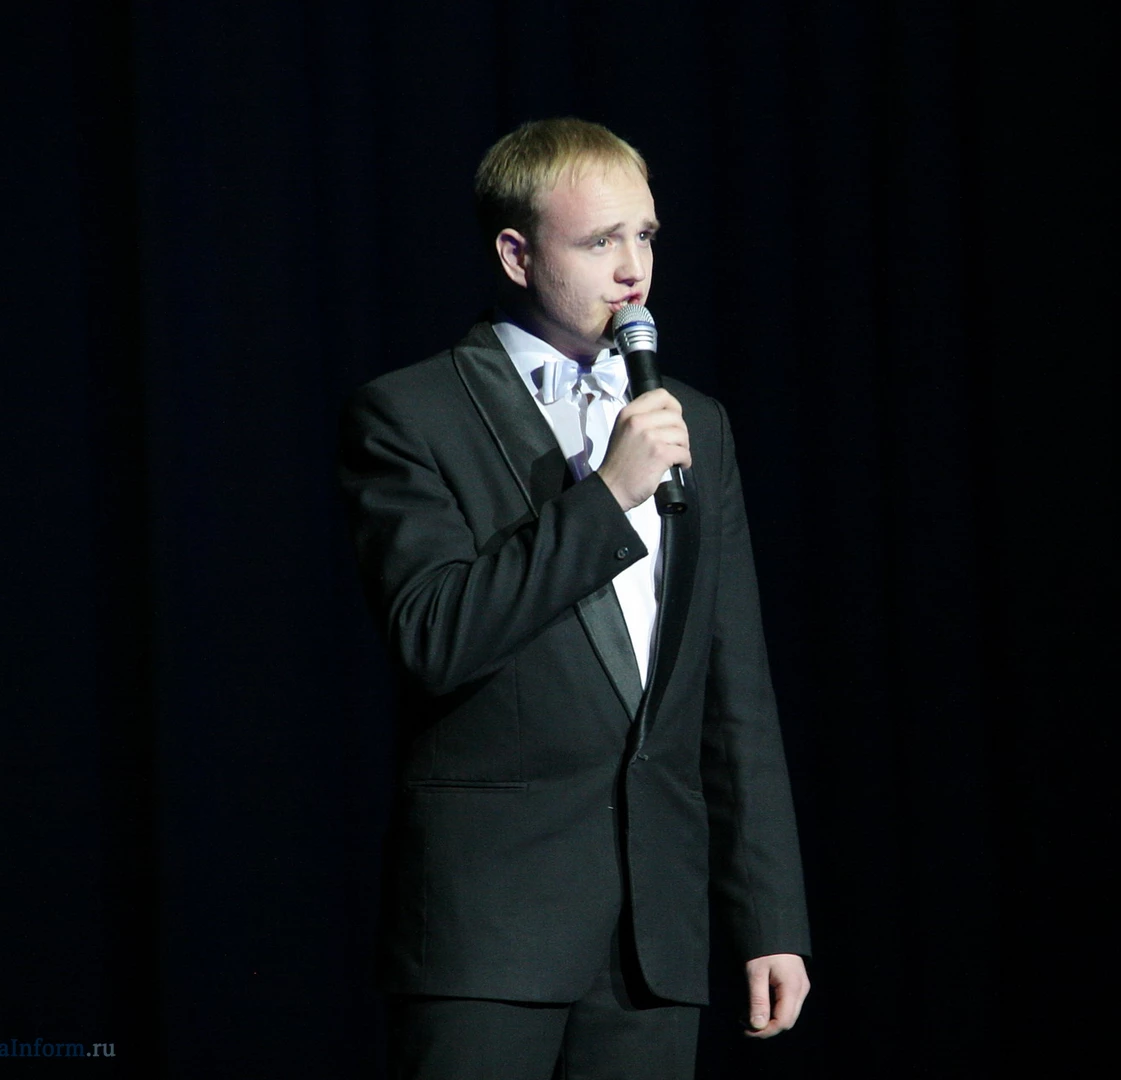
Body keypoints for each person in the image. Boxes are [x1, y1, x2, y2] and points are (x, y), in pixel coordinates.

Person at [337, 118, 811, 1079]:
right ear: (517, 255)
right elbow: (433, 636)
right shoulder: (413, 413)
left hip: (652, 935)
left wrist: (769, 917)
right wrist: (605, 499)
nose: (633, 269)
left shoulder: (694, 423)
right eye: (599, 241)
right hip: (491, 928)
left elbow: (734, 687)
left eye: (646, 236)